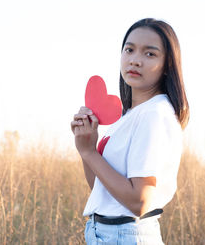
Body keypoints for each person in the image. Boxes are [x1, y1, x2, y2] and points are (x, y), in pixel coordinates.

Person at [71, 18, 189, 244]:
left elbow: (139, 201)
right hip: (106, 233)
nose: (135, 60)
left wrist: (89, 153)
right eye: (129, 50)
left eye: (150, 54)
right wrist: (87, 144)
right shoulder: (131, 115)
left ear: (168, 66)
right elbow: (100, 188)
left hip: (125, 235)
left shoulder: (153, 114)